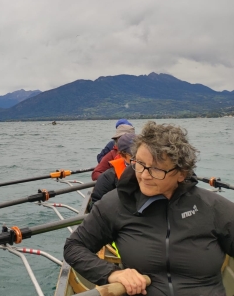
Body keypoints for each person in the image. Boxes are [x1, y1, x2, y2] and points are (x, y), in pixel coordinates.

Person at [64, 121, 234, 296]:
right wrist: (113, 273)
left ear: (182, 174)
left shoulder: (213, 207)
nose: (144, 176)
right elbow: (74, 247)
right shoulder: (116, 203)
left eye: (156, 170)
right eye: (140, 164)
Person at [91, 132, 135, 204]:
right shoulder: (108, 177)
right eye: (134, 155)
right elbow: (97, 204)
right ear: (122, 155)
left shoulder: (147, 170)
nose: (138, 158)